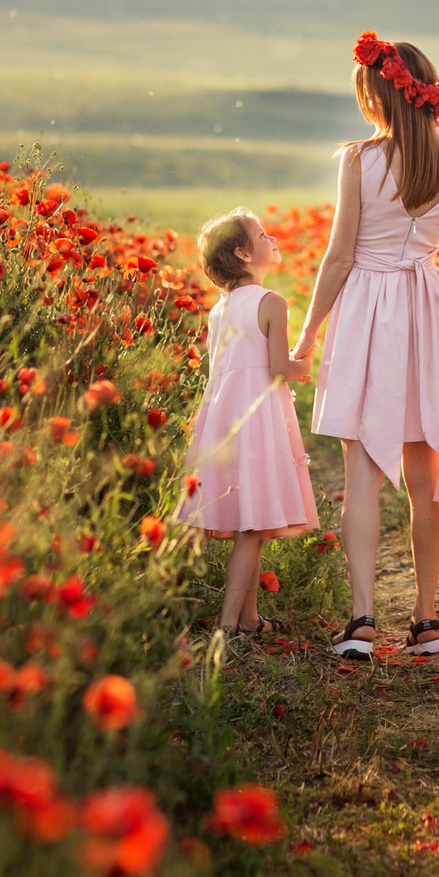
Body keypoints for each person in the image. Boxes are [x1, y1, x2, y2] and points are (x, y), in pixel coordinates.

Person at [291, 32, 439, 661]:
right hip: (426, 309)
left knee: (361, 474)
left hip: (367, 310)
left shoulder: (358, 161)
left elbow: (339, 256)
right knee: (424, 477)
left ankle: (363, 619)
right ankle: (427, 620)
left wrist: (307, 335)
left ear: (378, 95)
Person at [179, 209, 318, 639]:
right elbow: (278, 369)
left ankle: (250, 620)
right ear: (242, 253)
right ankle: (228, 628)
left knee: (250, 520)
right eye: (262, 234)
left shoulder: (218, 310)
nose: (272, 238)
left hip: (222, 419)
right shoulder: (271, 301)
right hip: (257, 420)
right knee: (252, 528)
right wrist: (307, 363)